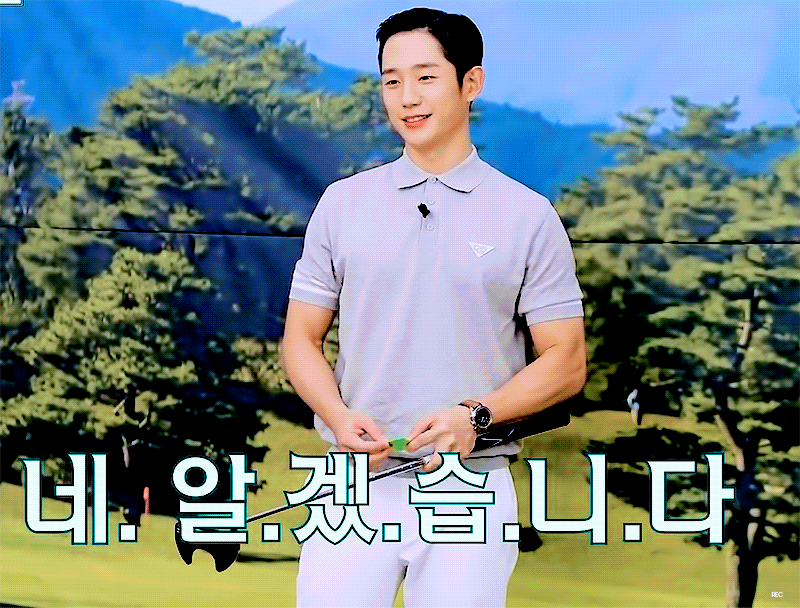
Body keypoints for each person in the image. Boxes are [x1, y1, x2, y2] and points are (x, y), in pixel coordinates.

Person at [282, 8, 586, 608]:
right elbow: (300, 340)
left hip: (469, 489)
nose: (407, 98)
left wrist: (476, 417)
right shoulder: (343, 204)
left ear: (471, 83)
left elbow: (566, 361)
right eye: (391, 81)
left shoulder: (527, 215)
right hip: (353, 486)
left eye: (425, 77)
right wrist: (338, 417)